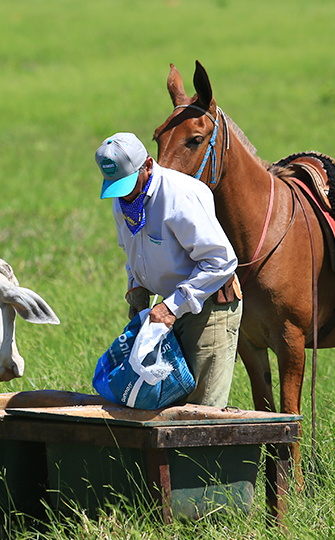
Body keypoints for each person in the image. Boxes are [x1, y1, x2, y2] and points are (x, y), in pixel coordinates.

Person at [95, 132, 242, 408]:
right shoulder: (124, 200)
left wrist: (171, 307)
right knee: (166, 399)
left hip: (209, 305)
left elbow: (221, 260)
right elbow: (132, 251)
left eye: (127, 184)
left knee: (202, 408)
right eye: (116, 187)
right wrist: (136, 288)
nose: (123, 194)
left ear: (148, 165)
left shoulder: (179, 198)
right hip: (171, 307)